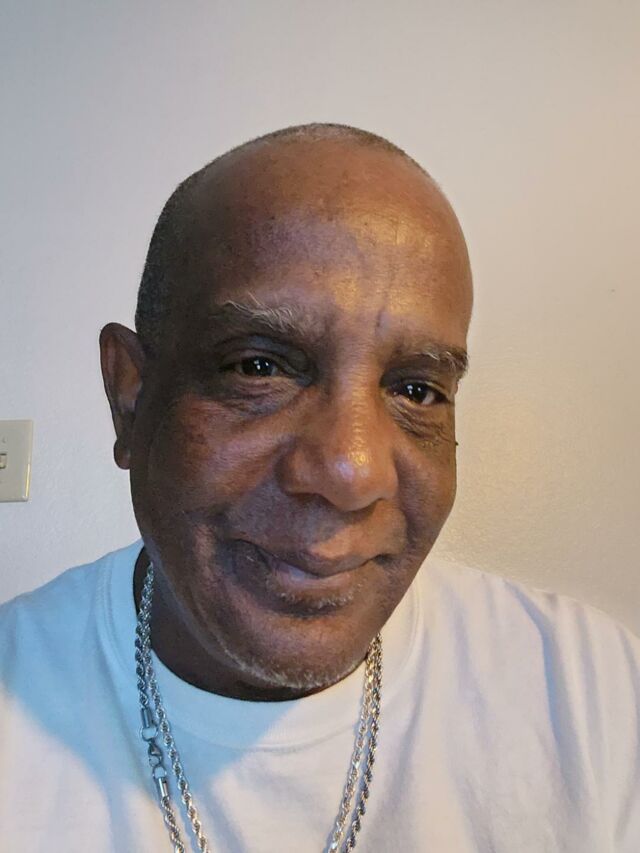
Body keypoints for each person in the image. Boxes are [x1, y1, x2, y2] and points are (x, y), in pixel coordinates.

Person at [0, 123, 638, 852]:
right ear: (131, 396)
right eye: (259, 367)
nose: (352, 472)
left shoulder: (593, 702)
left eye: (416, 390)